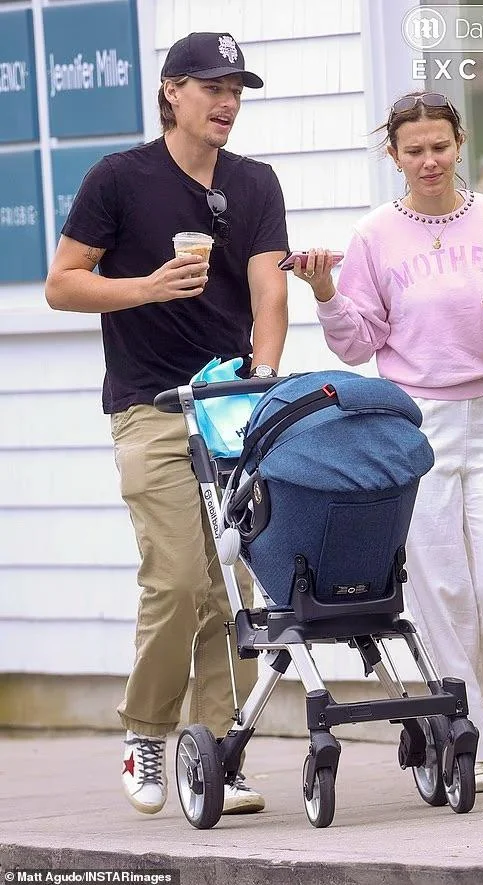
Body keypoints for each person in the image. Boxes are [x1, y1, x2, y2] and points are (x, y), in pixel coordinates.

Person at [45, 32, 289, 815]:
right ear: (171, 91)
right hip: (148, 408)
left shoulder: (254, 184)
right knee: (180, 580)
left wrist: (262, 377)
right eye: (213, 87)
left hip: (228, 410)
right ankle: (146, 731)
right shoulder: (118, 178)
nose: (227, 103)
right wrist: (146, 287)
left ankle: (220, 753)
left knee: (231, 591)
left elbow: (270, 292)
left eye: (236, 90)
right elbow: (62, 283)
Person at [293, 91, 483, 793]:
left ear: (459, 143)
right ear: (394, 155)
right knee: (441, 587)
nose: (429, 160)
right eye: (414, 150)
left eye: (440, 146)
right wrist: (325, 292)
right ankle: (471, 733)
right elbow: (359, 343)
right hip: (417, 424)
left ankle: (470, 696)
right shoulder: (375, 235)